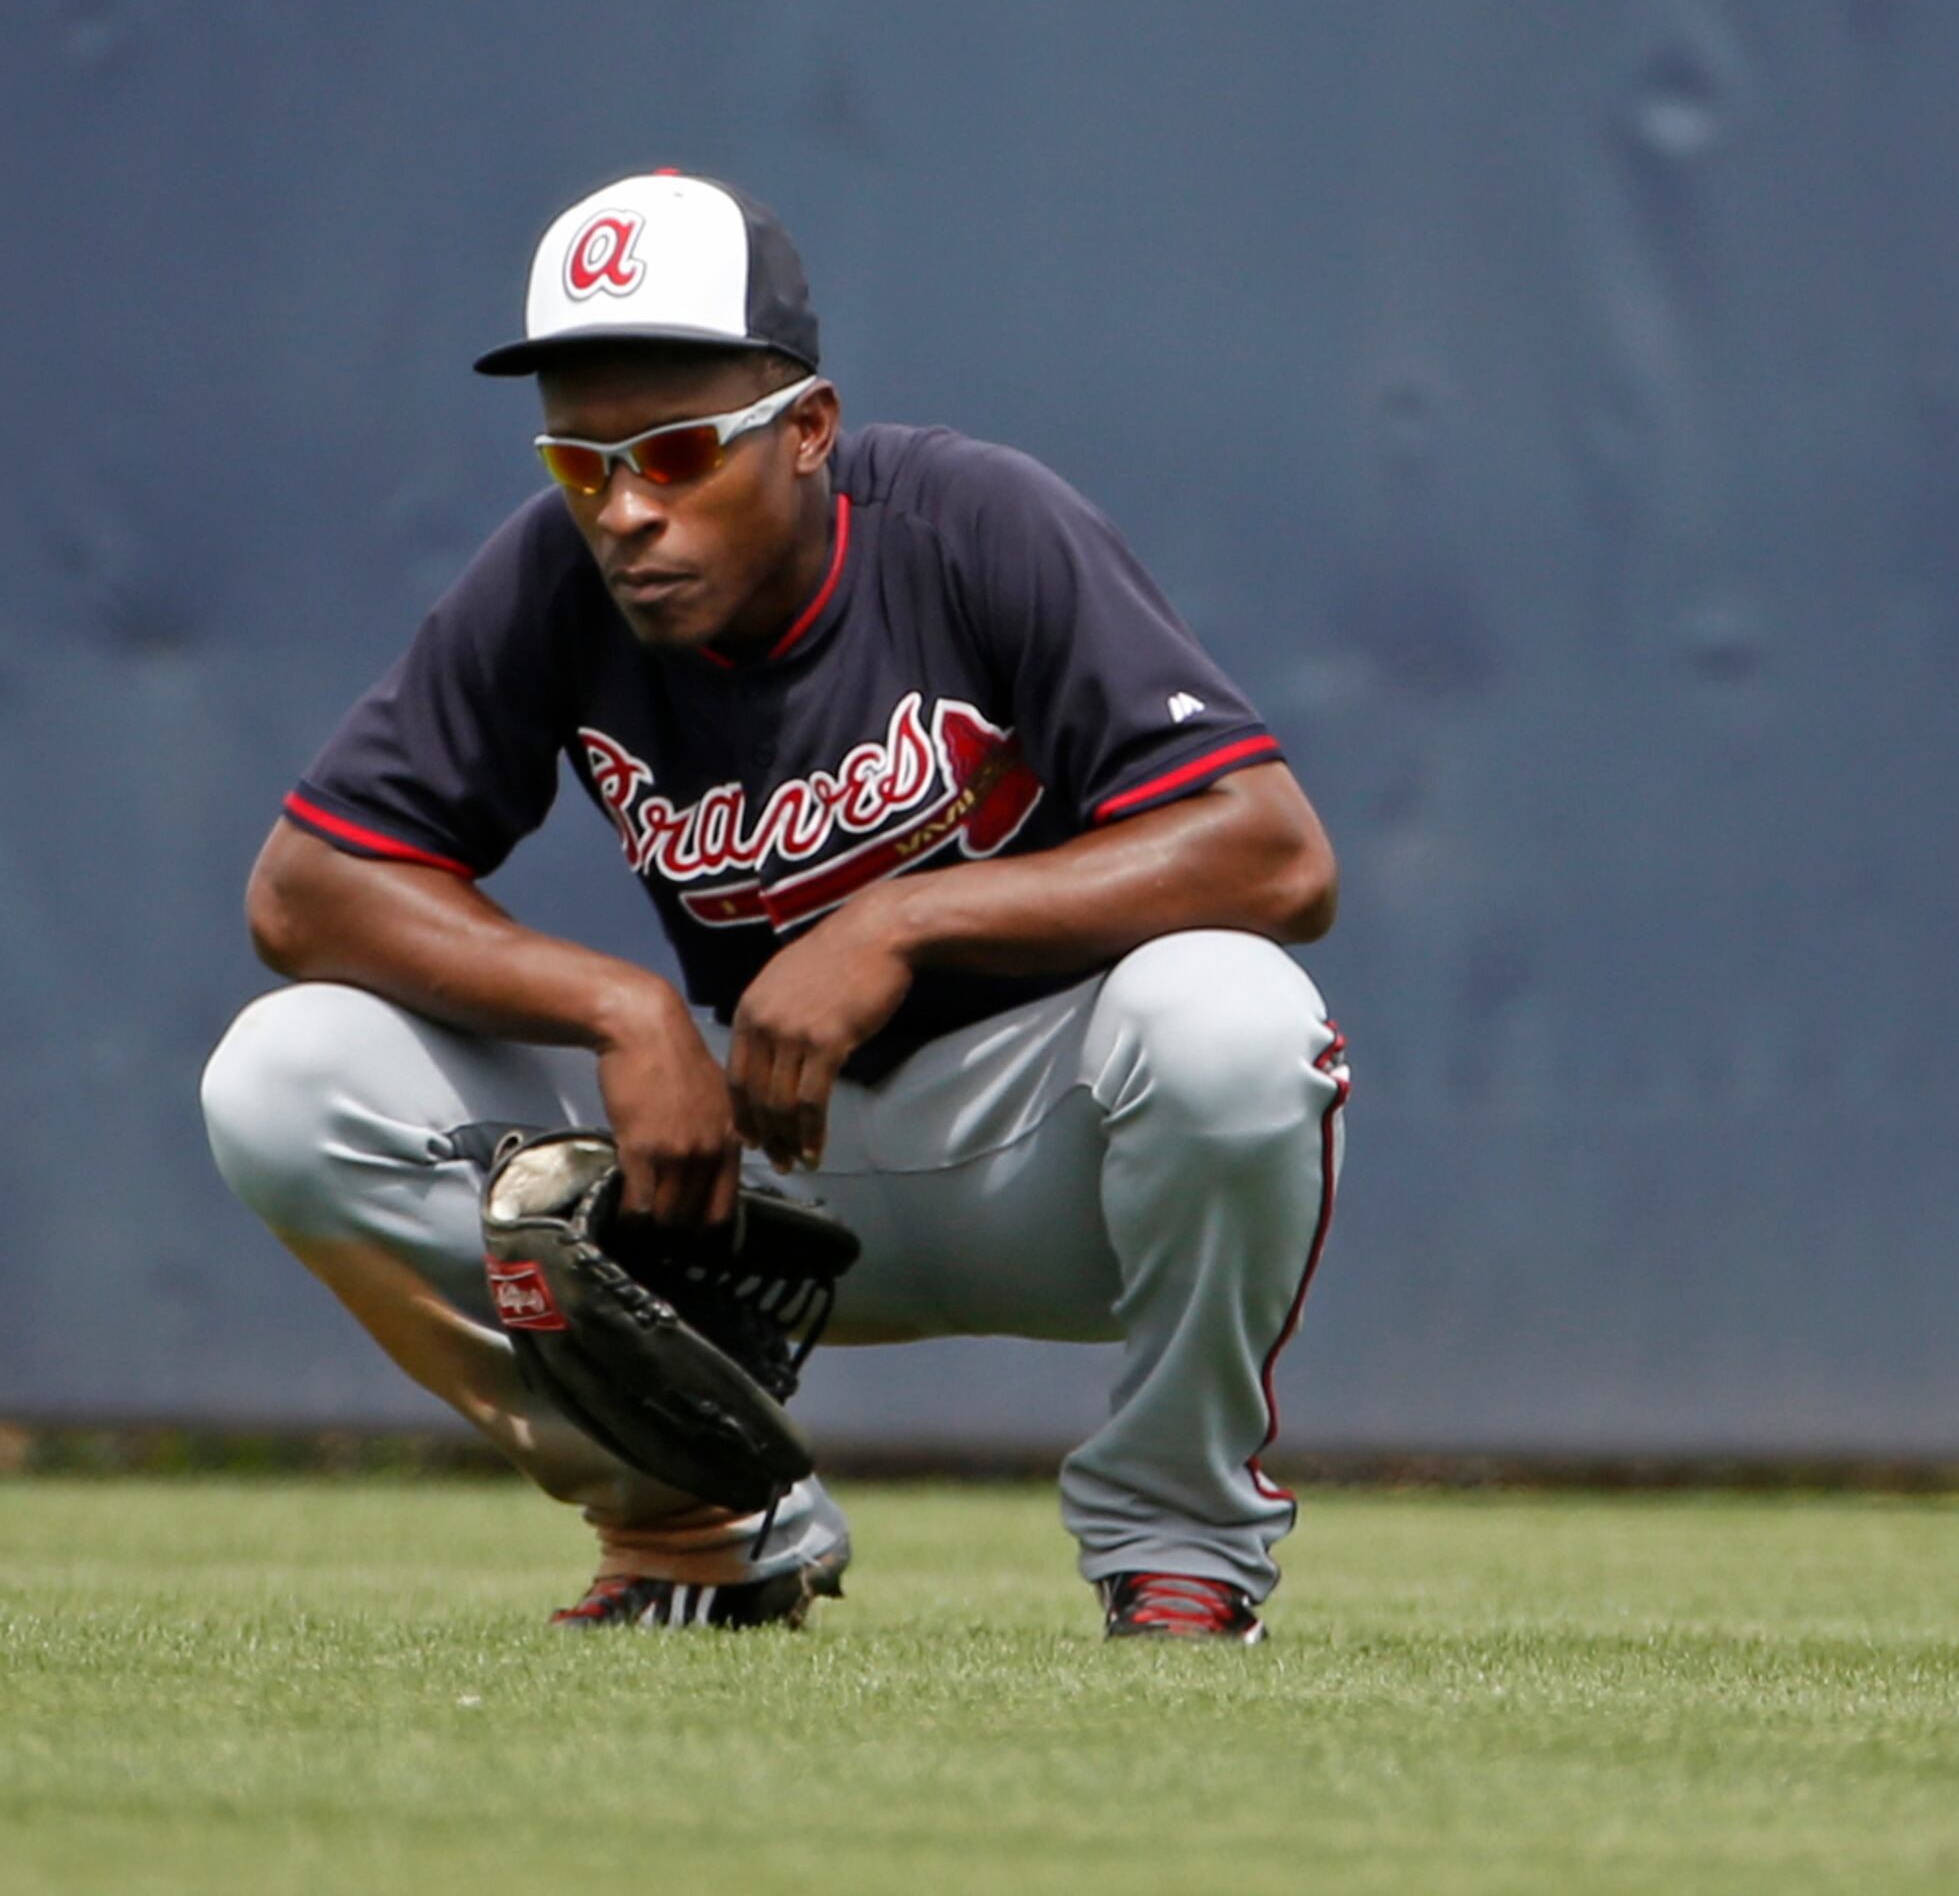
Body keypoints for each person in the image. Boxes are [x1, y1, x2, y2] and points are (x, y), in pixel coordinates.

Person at [201, 173, 1347, 1641]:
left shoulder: (970, 523)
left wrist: (902, 922)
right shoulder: (562, 580)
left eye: (678, 453)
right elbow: (306, 889)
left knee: (1236, 1021)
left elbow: (1272, 854)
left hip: (1051, 1151)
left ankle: (1181, 1538)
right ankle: (698, 1518)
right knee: (284, 1076)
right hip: (745, 1176)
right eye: (582, 462)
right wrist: (615, 1009)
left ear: (807, 430)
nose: (627, 510)